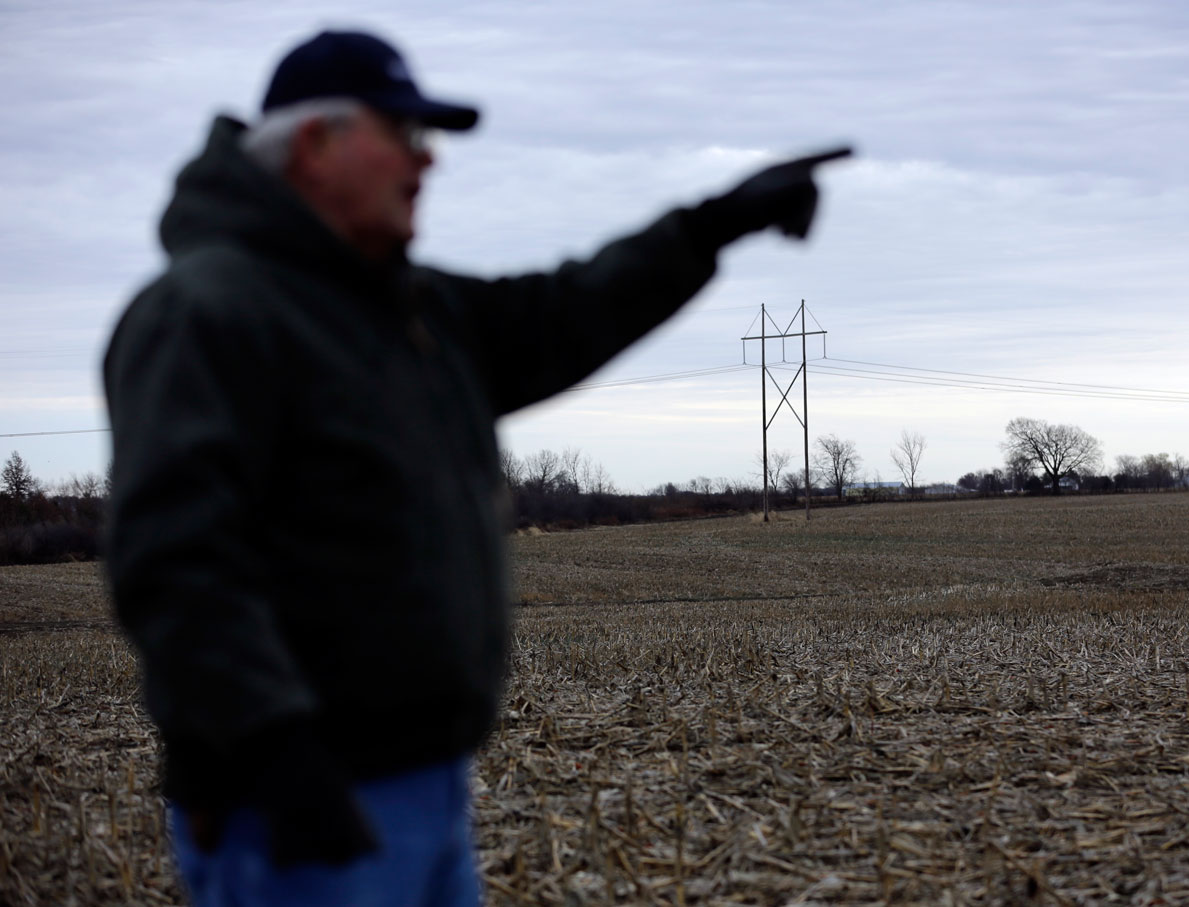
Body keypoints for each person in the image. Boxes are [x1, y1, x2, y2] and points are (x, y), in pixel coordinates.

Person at [103, 28, 849, 907]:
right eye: (408, 137)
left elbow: (563, 310)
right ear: (316, 143)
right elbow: (176, 561)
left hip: (425, 782)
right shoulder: (208, 311)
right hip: (298, 800)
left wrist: (710, 225)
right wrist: (269, 749)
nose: (428, 165)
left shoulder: (405, 308)